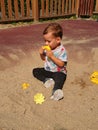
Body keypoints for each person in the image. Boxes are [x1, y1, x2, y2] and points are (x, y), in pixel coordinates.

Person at [33, 22, 68, 101]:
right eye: (45, 41)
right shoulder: (48, 48)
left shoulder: (61, 50)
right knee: (35, 71)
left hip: (58, 71)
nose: (46, 43)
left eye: (49, 41)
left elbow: (62, 64)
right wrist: (41, 54)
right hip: (48, 70)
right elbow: (44, 59)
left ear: (58, 40)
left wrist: (52, 56)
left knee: (60, 78)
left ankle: (56, 91)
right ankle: (47, 80)